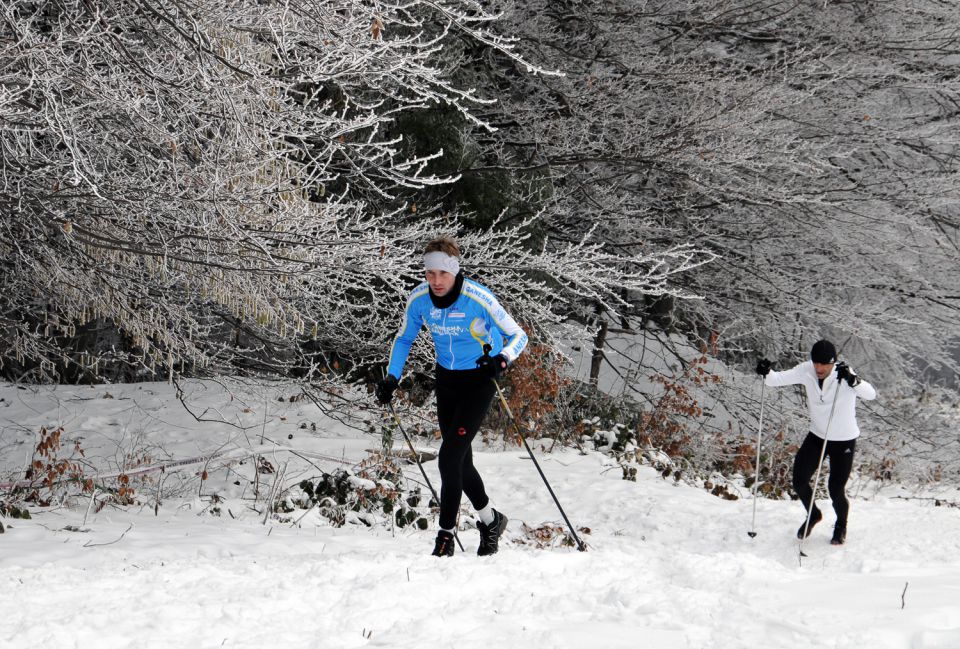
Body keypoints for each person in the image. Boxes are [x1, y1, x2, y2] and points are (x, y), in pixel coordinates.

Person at [375, 236, 528, 557]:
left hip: (479, 380)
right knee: (460, 460)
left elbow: (518, 335)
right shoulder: (419, 300)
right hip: (446, 381)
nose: (435, 281)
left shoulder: (478, 298)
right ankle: (491, 520)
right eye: (429, 274)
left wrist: (501, 360)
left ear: (455, 272)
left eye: (442, 274)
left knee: (448, 457)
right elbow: (403, 340)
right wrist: (392, 376)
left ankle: (444, 537)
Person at [756, 339, 876, 545]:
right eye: (816, 363)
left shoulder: (844, 374)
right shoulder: (807, 370)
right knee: (799, 480)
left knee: (835, 489)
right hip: (818, 435)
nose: (819, 368)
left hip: (843, 439)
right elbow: (776, 380)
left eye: (824, 364)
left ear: (833, 363)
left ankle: (841, 525)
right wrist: (767, 372)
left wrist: (853, 380)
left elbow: (871, 394)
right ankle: (813, 514)